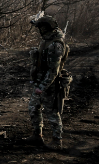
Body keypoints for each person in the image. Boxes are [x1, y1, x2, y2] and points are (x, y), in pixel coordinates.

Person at [26, 15, 71, 150]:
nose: (39, 30)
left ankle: (57, 141)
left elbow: (53, 71)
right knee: (33, 108)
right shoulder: (46, 40)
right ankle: (37, 135)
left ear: (46, 28)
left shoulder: (56, 44)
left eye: (41, 28)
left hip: (50, 84)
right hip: (39, 81)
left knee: (52, 113)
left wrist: (42, 86)